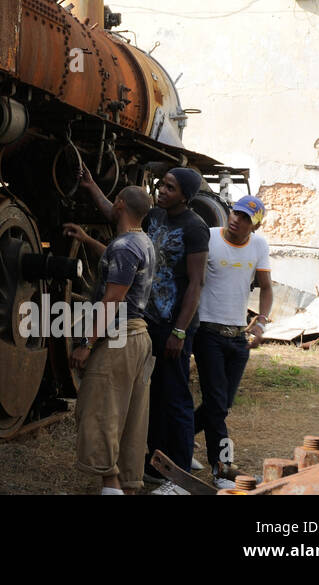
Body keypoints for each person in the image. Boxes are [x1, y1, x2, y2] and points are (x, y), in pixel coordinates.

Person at [79, 165, 209, 478]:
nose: (162, 191)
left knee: (175, 395)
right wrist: (92, 185)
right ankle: (154, 461)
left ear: (185, 196)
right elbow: (119, 213)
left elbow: (196, 282)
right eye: (162, 185)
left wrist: (179, 330)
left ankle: (179, 471)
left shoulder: (195, 227)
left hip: (174, 323)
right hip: (148, 321)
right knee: (149, 395)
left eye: (170, 188)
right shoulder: (154, 217)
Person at [64, 186, 158, 494]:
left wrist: (86, 344)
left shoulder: (124, 247)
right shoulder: (142, 242)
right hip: (140, 338)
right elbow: (121, 267)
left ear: (119, 204)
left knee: (98, 410)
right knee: (132, 419)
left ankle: (110, 484)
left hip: (120, 338)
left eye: (113, 199)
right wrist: (89, 240)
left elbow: (111, 301)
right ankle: (128, 485)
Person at [194, 195, 272, 481]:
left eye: (246, 218)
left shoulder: (259, 246)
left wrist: (261, 323)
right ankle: (222, 466)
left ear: (255, 227)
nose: (237, 219)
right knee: (216, 405)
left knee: (222, 405)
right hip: (208, 334)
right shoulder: (209, 237)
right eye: (236, 213)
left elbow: (265, 287)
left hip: (238, 338)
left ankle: (177, 438)